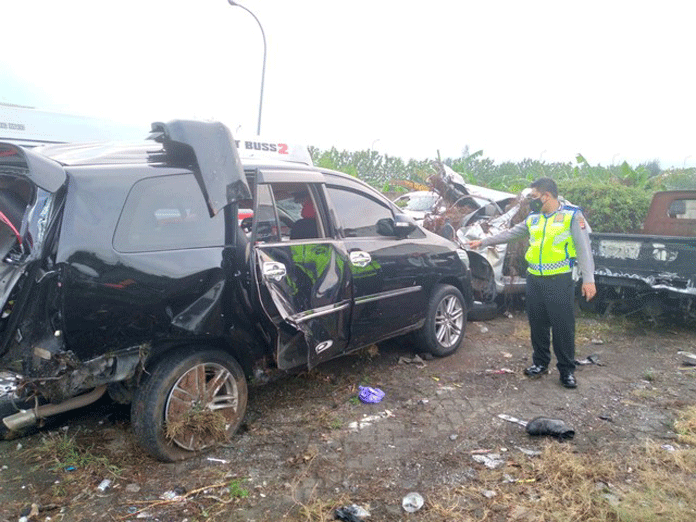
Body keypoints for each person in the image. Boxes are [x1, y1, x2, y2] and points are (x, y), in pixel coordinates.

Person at [468, 178, 596, 388]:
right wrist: (484, 242)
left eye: (535, 197)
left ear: (547, 195)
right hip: (534, 278)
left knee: (563, 327)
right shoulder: (534, 218)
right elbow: (511, 234)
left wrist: (588, 279)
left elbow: (584, 249)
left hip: (559, 279)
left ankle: (566, 370)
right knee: (537, 324)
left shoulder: (571, 216)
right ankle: (540, 363)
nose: (532, 201)